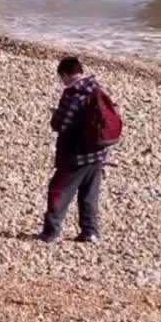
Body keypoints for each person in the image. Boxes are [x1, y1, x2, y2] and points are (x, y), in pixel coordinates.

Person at [36, 56, 112, 243]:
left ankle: (51, 232)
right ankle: (90, 232)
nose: (61, 82)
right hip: (98, 151)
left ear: (65, 74)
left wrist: (55, 116)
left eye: (61, 78)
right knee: (89, 193)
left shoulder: (74, 93)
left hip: (76, 155)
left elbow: (61, 124)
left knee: (58, 190)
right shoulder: (95, 88)